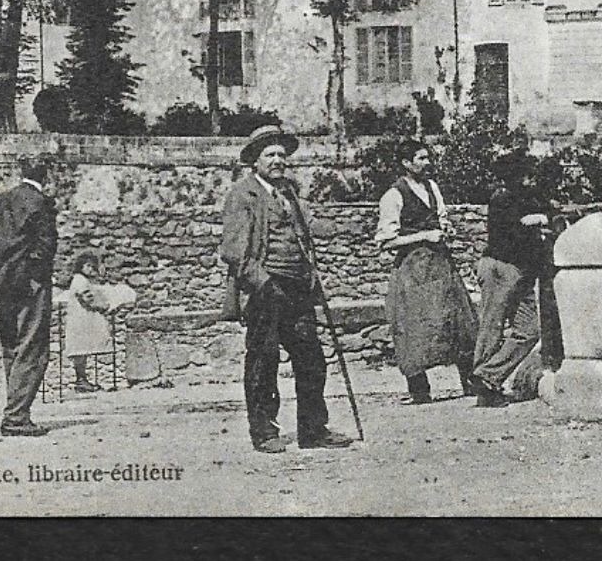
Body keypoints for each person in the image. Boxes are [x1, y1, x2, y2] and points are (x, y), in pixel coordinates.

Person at [219, 124, 354, 453]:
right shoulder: (243, 194)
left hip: (298, 289)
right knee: (263, 362)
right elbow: (234, 251)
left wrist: (333, 231)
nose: (278, 160)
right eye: (270, 155)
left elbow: (306, 231)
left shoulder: (290, 194)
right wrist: (263, 283)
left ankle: (313, 430)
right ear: (255, 161)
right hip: (265, 289)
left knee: (312, 360)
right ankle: (264, 432)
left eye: (282, 154)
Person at [376, 140, 479, 405]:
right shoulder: (393, 195)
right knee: (413, 325)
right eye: (421, 158)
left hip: (441, 264)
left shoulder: (432, 188)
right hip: (412, 269)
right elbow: (386, 240)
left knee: (459, 319)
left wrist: (445, 228)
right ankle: (420, 391)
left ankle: (470, 382)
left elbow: (441, 217)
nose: (427, 163)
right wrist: (424, 236)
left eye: (427, 158)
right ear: (406, 163)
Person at [0, 157, 58, 437]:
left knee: (11, 346)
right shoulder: (41, 203)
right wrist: (32, 275)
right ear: (46, 174)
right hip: (30, 286)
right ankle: (16, 417)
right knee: (33, 348)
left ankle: (15, 411)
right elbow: (45, 247)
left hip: (3, 286)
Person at [471, 155, 550, 407]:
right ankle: (485, 388)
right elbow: (513, 235)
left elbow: (551, 211)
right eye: (525, 174)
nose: (530, 178)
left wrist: (542, 218)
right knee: (491, 326)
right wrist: (535, 223)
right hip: (501, 268)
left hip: (523, 272)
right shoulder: (502, 200)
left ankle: (487, 376)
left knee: (530, 330)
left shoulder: (530, 197)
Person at [64, 250, 113, 392]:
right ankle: (81, 379)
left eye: (92, 266)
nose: (91, 269)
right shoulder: (79, 280)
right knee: (79, 350)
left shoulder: (82, 280)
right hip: (79, 320)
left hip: (82, 319)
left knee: (82, 350)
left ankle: (82, 379)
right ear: (81, 266)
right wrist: (103, 306)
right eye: (88, 266)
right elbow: (87, 298)